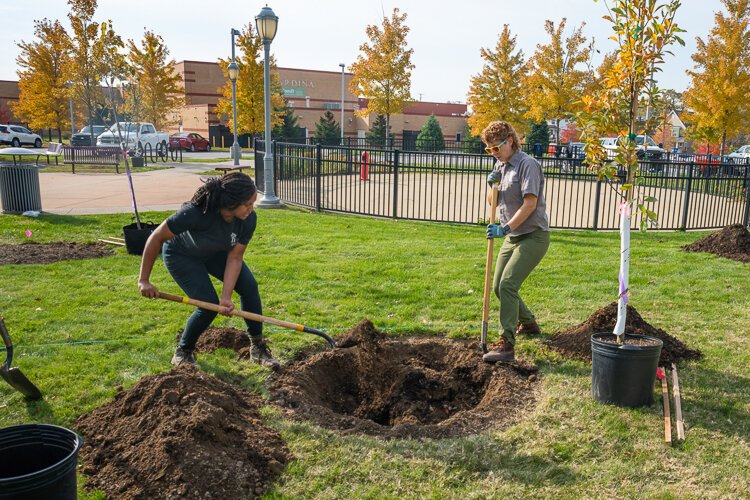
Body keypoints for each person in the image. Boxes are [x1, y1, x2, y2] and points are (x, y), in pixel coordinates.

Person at [138, 172, 279, 370]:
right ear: (231, 202)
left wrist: (226, 296)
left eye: (252, 203)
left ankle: (257, 348)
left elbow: (235, 257)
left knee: (249, 286)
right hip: (182, 255)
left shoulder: (248, 219)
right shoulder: (195, 213)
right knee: (208, 305)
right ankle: (183, 351)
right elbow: (156, 237)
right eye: (247, 204)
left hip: (215, 253)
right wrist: (144, 280)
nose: (251, 208)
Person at [482, 121, 550, 363]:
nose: (494, 153)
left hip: (533, 235)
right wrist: (492, 185)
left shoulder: (527, 165)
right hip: (512, 236)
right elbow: (493, 202)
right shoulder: (500, 165)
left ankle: (506, 345)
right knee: (499, 287)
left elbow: (529, 204)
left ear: (510, 140)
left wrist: (505, 228)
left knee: (508, 285)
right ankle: (529, 323)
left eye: (496, 147)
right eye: (489, 150)